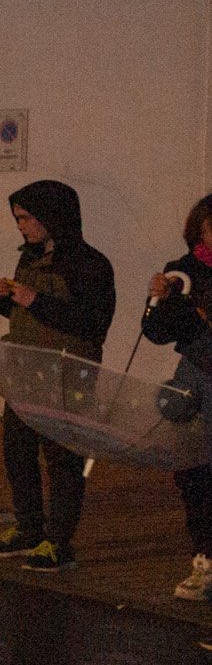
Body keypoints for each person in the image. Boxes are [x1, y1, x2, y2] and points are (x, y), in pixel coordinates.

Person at [0, 179, 115, 571]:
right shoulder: (30, 258)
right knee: (17, 453)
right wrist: (1, 299)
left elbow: (91, 323)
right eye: (17, 218)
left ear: (52, 216)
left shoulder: (90, 265)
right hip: (26, 374)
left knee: (63, 459)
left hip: (67, 375)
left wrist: (33, 299)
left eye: (26, 218)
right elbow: (30, 319)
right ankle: (28, 529)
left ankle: (58, 542)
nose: (21, 226)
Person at [143, 194, 212, 599]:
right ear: (198, 231)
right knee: (194, 472)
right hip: (198, 375)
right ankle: (203, 561)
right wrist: (161, 299)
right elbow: (155, 331)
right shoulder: (182, 271)